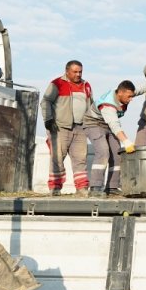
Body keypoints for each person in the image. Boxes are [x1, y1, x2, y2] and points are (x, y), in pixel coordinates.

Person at [83, 78, 146, 197]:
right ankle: (95, 187)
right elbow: (115, 126)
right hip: (93, 124)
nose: (131, 99)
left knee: (117, 154)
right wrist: (126, 141)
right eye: (129, 97)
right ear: (120, 93)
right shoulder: (108, 105)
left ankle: (112, 186)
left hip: (107, 124)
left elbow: (142, 89)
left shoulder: (124, 92)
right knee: (103, 152)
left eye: (132, 96)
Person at [41, 60, 93, 196]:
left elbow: (91, 105)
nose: (78, 74)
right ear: (67, 71)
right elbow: (46, 101)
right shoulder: (57, 83)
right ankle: (55, 189)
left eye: (80, 71)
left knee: (81, 159)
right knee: (57, 158)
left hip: (81, 128)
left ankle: (82, 189)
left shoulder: (86, 85)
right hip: (60, 128)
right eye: (75, 72)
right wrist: (48, 119)